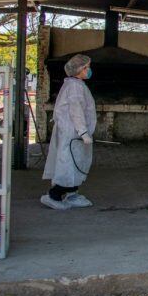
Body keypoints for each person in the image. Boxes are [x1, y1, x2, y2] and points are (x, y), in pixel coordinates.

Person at [41, 54, 97, 210]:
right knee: (68, 165)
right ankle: (54, 195)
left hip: (73, 133)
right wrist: (83, 132)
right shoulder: (75, 87)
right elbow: (76, 110)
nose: (89, 70)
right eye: (86, 67)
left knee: (75, 163)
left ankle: (72, 194)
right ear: (78, 69)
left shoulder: (75, 84)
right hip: (72, 133)